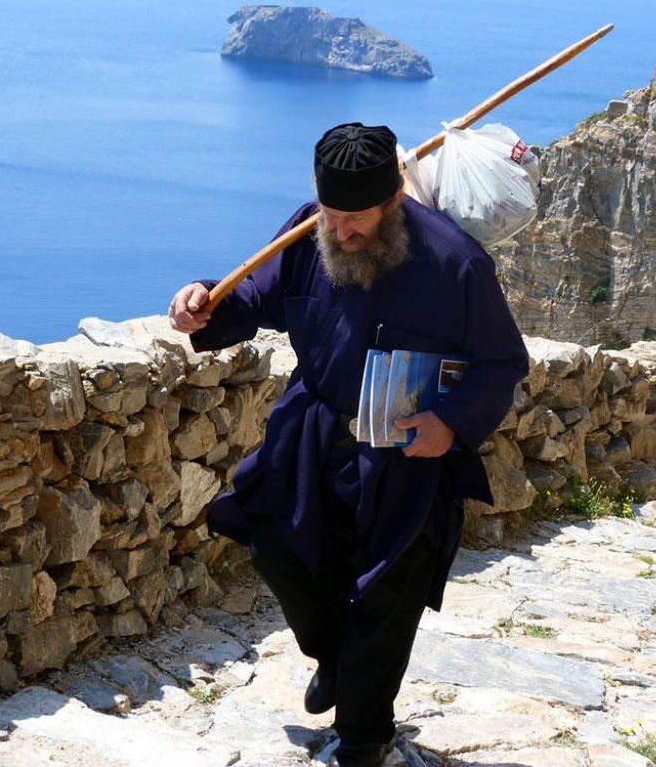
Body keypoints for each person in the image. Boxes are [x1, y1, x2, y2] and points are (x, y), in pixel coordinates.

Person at [168, 122, 528, 767]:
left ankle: (364, 738)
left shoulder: (457, 263)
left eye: (355, 219)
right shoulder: (311, 229)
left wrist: (450, 423)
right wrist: (202, 305)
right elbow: (257, 296)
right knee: (278, 548)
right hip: (312, 434)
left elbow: (502, 363)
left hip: (405, 454)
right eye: (333, 216)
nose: (341, 233)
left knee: (384, 595)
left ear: (394, 201)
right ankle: (335, 659)